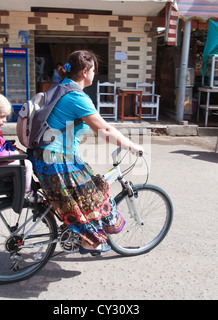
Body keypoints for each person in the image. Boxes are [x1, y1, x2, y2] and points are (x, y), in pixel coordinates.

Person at [26, 50, 144, 255]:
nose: (95, 74)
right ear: (86, 71)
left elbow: (69, 126)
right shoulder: (76, 97)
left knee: (93, 184)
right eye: (94, 70)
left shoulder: (61, 89)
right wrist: (132, 146)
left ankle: (75, 234)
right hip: (55, 160)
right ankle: (90, 241)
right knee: (94, 197)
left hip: (48, 157)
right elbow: (104, 129)